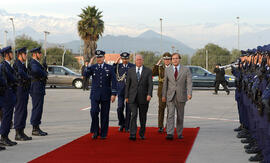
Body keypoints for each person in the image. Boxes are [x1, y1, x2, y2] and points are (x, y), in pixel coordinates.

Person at [83, 50, 117, 139]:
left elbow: (114, 81)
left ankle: (103, 133)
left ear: (104, 57)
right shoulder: (93, 67)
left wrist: (113, 93)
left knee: (104, 115)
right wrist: (89, 64)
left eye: (100, 57)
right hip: (95, 94)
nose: (99, 59)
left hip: (106, 94)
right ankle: (95, 130)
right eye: (97, 57)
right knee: (93, 112)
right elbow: (85, 74)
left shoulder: (109, 68)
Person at [162, 53, 192, 140]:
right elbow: (165, 84)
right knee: (170, 114)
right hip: (170, 96)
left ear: (179, 59)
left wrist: (189, 93)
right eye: (173, 58)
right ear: (171, 60)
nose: (175, 60)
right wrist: (163, 95)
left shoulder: (186, 70)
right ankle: (170, 133)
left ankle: (179, 133)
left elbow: (189, 83)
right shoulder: (168, 70)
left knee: (180, 116)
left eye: (176, 58)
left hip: (181, 95)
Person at [125, 54, 153, 140]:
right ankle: (132, 134)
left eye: (140, 59)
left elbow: (150, 84)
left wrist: (149, 94)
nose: (139, 61)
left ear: (142, 60)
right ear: (135, 61)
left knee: (142, 116)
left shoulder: (148, 71)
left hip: (144, 97)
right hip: (132, 97)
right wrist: (126, 96)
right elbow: (127, 85)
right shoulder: (130, 71)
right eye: (137, 60)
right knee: (134, 115)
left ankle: (142, 133)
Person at [13, 47, 32, 141]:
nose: (26, 56)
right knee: (20, 110)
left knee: (24, 111)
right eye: (24, 54)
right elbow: (21, 73)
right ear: (20, 55)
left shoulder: (22, 64)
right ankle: (17, 133)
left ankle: (22, 131)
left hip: (24, 90)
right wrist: (28, 77)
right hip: (19, 90)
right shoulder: (17, 63)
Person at [0, 46, 18, 146]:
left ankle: (5, 136)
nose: (12, 55)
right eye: (11, 53)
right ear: (6, 54)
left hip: (10, 93)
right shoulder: (4, 66)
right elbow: (12, 78)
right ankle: (3, 137)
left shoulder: (7, 65)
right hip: (6, 94)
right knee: (6, 116)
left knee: (8, 116)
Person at [28, 47, 48, 136]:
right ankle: (35, 128)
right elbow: (36, 71)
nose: (40, 55)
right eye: (39, 53)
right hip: (36, 88)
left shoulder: (36, 63)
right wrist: (43, 72)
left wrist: (43, 68)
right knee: (37, 108)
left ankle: (37, 127)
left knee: (39, 108)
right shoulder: (33, 63)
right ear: (35, 54)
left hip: (39, 87)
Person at [113, 52, 135, 132]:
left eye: (126, 58)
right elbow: (113, 71)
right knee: (119, 108)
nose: (125, 60)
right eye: (123, 59)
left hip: (129, 91)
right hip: (121, 91)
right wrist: (116, 62)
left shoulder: (132, 66)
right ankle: (122, 123)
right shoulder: (118, 66)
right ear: (121, 59)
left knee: (129, 110)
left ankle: (127, 126)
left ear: (128, 58)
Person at [152, 52, 172, 133]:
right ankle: (160, 126)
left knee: (170, 110)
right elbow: (153, 73)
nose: (166, 61)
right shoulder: (160, 68)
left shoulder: (173, 68)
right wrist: (157, 65)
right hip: (161, 91)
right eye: (165, 59)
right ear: (163, 60)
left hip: (171, 91)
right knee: (161, 109)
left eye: (168, 59)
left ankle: (168, 126)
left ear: (170, 60)